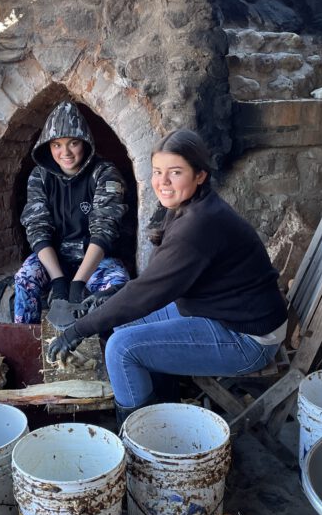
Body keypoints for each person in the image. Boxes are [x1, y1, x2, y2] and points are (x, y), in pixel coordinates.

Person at [48, 129, 288, 422]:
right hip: (219, 311)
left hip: (247, 338)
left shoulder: (198, 225)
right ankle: (163, 403)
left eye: (175, 172)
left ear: (199, 175)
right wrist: (111, 296)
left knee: (122, 349)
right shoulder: (189, 208)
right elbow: (155, 281)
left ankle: (140, 434)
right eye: (158, 171)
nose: (162, 182)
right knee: (122, 326)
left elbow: (147, 292)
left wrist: (77, 330)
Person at [15, 101, 130, 323]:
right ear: (47, 146)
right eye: (56, 144)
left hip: (96, 258)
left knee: (118, 285)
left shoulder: (105, 173)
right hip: (54, 258)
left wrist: (78, 283)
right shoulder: (40, 176)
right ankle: (29, 344)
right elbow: (37, 228)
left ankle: (108, 349)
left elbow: (104, 230)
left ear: (85, 143)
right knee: (24, 278)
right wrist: (58, 280)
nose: (65, 152)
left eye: (73, 143)